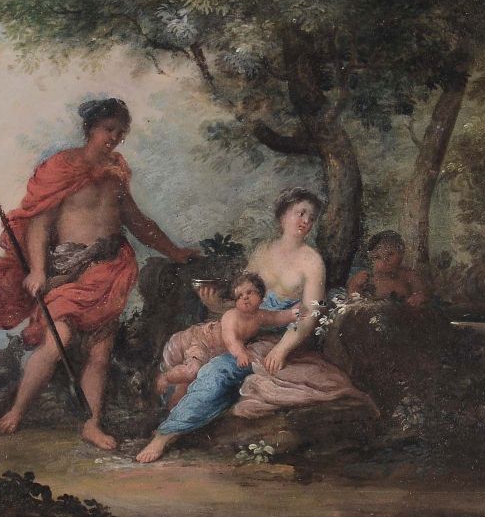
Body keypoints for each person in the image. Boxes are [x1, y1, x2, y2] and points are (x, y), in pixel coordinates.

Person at [0, 98, 198, 450]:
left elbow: (137, 222)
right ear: (90, 128)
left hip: (109, 270)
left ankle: (91, 424)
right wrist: (37, 269)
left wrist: (175, 252)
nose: (115, 137)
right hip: (68, 271)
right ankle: (18, 409)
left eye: (121, 132)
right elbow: (39, 223)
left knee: (100, 353)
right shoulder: (62, 167)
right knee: (58, 340)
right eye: (109, 129)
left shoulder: (116, 172)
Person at [136, 188, 375, 463]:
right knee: (186, 350)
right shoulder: (263, 251)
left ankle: (164, 435)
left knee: (217, 371)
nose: (306, 221)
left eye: (311, 217)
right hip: (244, 333)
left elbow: (310, 314)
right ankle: (170, 418)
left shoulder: (312, 261)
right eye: (300, 213)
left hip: (277, 340)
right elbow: (243, 303)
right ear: (283, 215)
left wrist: (282, 349)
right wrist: (215, 305)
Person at [155, 271, 299, 408]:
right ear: (235, 301)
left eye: (250, 292)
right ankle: (166, 377)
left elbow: (277, 317)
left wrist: (294, 314)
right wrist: (240, 353)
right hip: (202, 342)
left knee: (189, 384)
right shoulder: (231, 316)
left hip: (214, 352)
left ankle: (175, 404)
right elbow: (231, 340)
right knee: (192, 371)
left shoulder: (260, 315)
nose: (245, 297)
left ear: (261, 296)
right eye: (239, 296)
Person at [347, 230, 428, 305]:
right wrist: (355, 284)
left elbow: (422, 292)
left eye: (390, 254)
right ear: (371, 259)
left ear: (401, 253)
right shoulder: (367, 278)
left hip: (401, 312)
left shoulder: (408, 275)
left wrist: (419, 296)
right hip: (373, 312)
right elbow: (353, 298)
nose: (385, 260)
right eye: (378, 257)